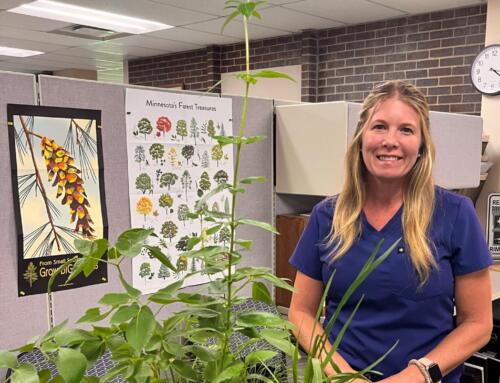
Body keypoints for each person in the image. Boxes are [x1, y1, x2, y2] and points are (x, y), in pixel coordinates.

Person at [288, 80, 492, 383]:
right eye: (379, 126)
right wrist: (343, 375)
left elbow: (477, 324)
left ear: (422, 145)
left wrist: (416, 375)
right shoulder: (327, 216)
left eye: (406, 130)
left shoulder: (455, 214)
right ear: (360, 138)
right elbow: (300, 314)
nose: (390, 141)